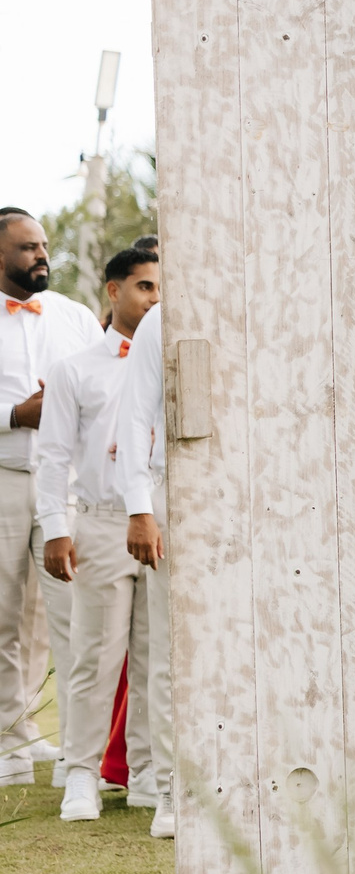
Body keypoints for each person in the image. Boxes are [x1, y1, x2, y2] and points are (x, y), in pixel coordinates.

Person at [36, 244, 161, 823]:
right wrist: (57, 528)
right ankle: (81, 774)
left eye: (160, 287)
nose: (154, 297)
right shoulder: (76, 368)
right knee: (94, 655)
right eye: (143, 286)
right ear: (114, 292)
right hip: (103, 520)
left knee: (158, 656)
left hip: (162, 524)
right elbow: (53, 455)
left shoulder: (166, 358)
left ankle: (148, 772)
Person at [0, 209, 103, 786]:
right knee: (3, 619)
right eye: (27, 247)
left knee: (70, 618)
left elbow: (108, 388)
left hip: (65, 486)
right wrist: (18, 414)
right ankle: (8, 748)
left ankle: (75, 755)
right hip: (4, 477)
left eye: (43, 245)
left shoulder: (75, 317)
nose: (42, 255)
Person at [107, 296, 177, 836]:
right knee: (170, 647)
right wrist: (140, 509)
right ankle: (173, 793)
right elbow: (133, 419)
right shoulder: (161, 317)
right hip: (174, 492)